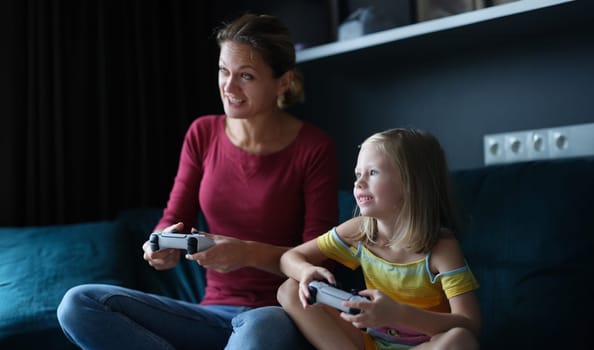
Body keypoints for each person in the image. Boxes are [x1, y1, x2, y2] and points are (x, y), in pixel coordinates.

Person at [57, 13, 337, 350]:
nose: (229, 87)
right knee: (78, 303)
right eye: (223, 71)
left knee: (260, 327)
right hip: (211, 314)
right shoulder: (202, 133)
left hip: (277, 314)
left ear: (282, 82)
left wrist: (245, 253)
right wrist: (161, 244)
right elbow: (174, 216)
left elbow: (319, 259)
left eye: (246, 76)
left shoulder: (313, 147)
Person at [277, 128, 481, 350]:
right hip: (370, 343)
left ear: (410, 183)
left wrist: (398, 314)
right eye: (358, 174)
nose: (359, 183)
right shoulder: (359, 232)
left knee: (461, 339)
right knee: (290, 289)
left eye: (372, 172)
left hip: (426, 345)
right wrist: (305, 271)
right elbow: (289, 257)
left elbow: (470, 324)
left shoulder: (441, 248)